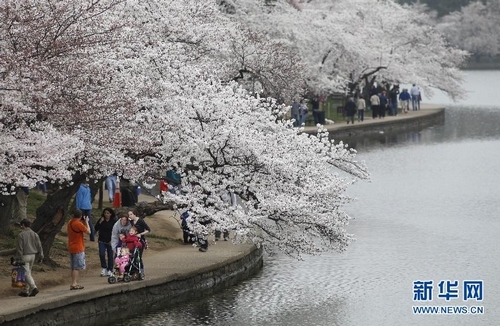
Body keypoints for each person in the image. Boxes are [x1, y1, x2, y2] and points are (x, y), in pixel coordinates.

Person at [15, 218, 43, 297]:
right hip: (33, 255)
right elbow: (39, 245)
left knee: (25, 273)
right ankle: (25, 290)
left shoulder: (21, 235)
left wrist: (18, 258)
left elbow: (20, 248)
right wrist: (41, 255)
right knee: (28, 272)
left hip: (25, 255)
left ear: (23, 225)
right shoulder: (35, 234)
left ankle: (33, 287)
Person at [67, 210, 90, 290]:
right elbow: (88, 232)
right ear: (81, 216)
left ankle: (74, 282)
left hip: (71, 246)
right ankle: (74, 283)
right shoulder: (78, 224)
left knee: (73, 267)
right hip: (78, 247)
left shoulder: (70, 222)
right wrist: (86, 222)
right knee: (76, 267)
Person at [94, 208, 116, 277]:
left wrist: (112, 240)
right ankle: (104, 267)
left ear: (110, 214)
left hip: (110, 241)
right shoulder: (101, 220)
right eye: (105, 213)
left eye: (108, 213)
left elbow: (115, 232)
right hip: (102, 240)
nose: (106, 214)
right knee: (102, 254)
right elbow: (96, 228)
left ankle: (110, 269)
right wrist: (100, 222)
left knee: (110, 255)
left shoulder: (113, 222)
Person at [128, 209, 151, 274]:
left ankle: (141, 270)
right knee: (132, 255)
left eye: (131, 214)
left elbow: (148, 229)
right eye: (129, 215)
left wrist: (140, 234)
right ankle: (134, 270)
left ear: (135, 214)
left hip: (140, 240)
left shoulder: (140, 221)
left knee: (138, 256)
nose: (130, 216)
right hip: (133, 240)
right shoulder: (131, 222)